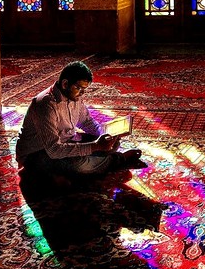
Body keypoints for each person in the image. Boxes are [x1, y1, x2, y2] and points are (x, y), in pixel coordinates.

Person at [16, 60, 145, 179]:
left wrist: (105, 133)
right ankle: (117, 160)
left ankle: (101, 162)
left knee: (112, 145)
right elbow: (54, 150)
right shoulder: (46, 104)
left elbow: (86, 121)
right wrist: (95, 146)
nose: (82, 93)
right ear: (65, 83)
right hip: (37, 154)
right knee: (79, 165)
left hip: (65, 141)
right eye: (78, 88)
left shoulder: (74, 96)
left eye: (84, 89)